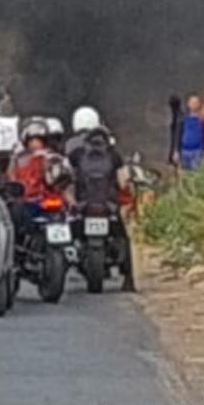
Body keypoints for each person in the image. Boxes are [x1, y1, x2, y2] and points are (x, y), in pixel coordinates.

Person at [65, 112, 136, 292]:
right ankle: (128, 279)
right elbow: (122, 182)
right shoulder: (114, 155)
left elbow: (66, 179)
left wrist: (72, 202)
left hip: (83, 206)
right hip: (108, 206)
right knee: (123, 238)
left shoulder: (76, 153)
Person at [177, 94, 204, 172]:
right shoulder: (183, 119)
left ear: (200, 104)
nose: (194, 104)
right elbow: (179, 135)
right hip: (184, 151)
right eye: (192, 102)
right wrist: (177, 151)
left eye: (196, 102)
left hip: (198, 151)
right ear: (188, 104)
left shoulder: (203, 119)